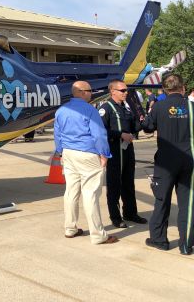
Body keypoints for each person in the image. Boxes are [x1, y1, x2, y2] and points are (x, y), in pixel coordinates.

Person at [54, 80, 117, 244]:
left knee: (71, 192)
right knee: (90, 194)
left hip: (68, 153)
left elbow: (57, 134)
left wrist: (61, 152)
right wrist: (104, 154)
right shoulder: (90, 110)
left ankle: (70, 228)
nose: (92, 93)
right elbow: (98, 134)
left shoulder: (61, 110)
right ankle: (97, 234)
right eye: (90, 91)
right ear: (82, 92)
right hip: (87, 153)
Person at [142, 74, 194, 255]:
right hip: (189, 160)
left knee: (162, 200)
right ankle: (186, 244)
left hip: (165, 161)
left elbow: (147, 127)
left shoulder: (159, 106)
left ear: (164, 89)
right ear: (183, 88)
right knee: (187, 203)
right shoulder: (191, 106)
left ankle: (159, 240)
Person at [99, 79, 147, 228]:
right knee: (114, 185)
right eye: (123, 90)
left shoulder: (126, 109)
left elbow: (134, 127)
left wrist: (141, 120)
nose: (126, 93)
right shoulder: (106, 108)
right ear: (113, 91)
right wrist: (120, 135)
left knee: (128, 183)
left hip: (128, 151)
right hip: (114, 151)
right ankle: (116, 216)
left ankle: (130, 213)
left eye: (126, 90)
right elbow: (100, 130)